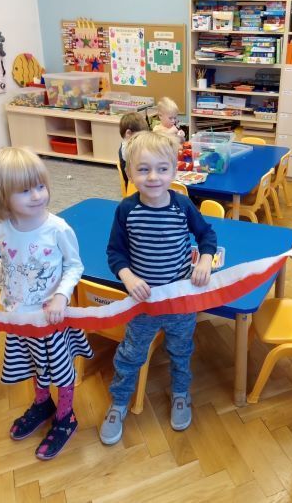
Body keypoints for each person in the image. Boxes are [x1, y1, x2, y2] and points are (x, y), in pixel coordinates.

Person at [100, 131, 217, 445]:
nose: (153, 177)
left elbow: (207, 236)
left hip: (179, 302)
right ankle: (119, 402)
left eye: (162, 169)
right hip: (144, 304)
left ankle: (180, 394)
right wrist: (128, 277)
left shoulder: (182, 206)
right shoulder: (126, 210)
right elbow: (115, 252)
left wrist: (205, 260)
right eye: (143, 169)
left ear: (174, 171)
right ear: (129, 172)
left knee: (181, 351)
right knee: (130, 354)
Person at [0, 147, 93, 460]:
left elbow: (74, 266)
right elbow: (6, 263)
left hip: (51, 321)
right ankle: (42, 403)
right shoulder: (1, 226)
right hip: (19, 319)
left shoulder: (57, 229)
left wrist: (61, 295)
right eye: (24, 190)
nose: (37, 195)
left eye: (40, 186)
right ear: (1, 196)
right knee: (35, 364)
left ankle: (65, 416)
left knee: (60, 371)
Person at [118, 111, 148, 189]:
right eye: (140, 136)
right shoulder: (127, 149)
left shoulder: (128, 144)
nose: (142, 139)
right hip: (133, 186)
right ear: (128, 133)